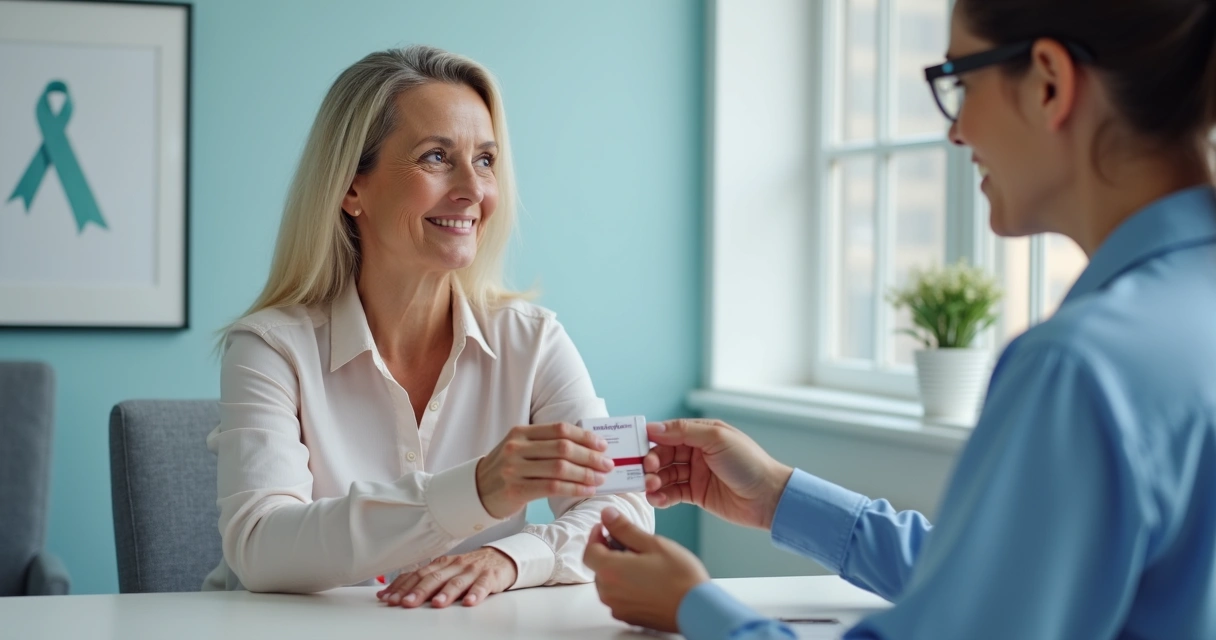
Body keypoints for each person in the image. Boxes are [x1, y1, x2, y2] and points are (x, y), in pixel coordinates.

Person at [584, 0, 1216, 637]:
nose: (957, 130)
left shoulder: (1079, 368)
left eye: (961, 83)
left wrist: (697, 607)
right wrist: (777, 495)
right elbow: (996, 587)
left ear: (1049, 82)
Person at [202, 45, 653, 607]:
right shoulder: (270, 348)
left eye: (485, 160)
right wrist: (476, 491)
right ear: (351, 187)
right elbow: (259, 546)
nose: (474, 190)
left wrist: (511, 557)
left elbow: (623, 513)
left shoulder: (534, 341)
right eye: (437, 157)